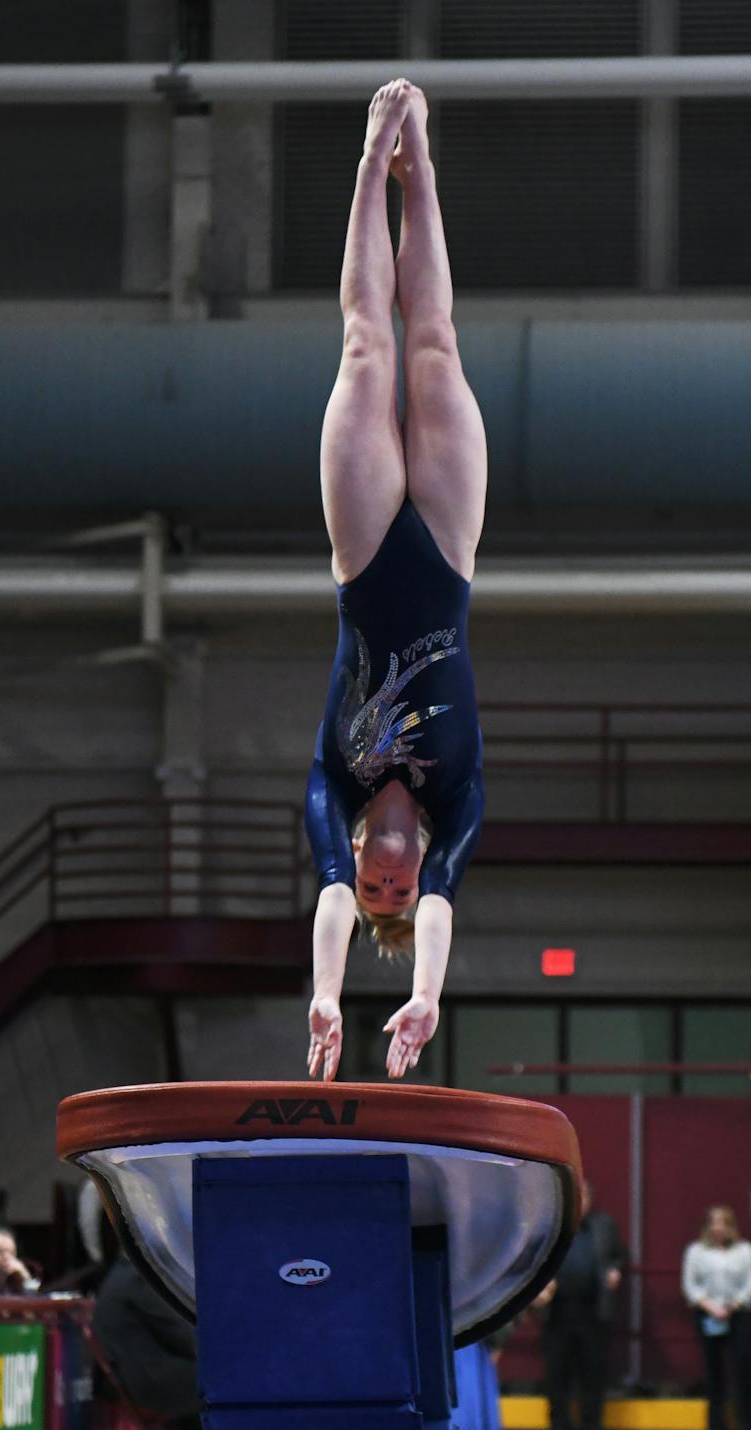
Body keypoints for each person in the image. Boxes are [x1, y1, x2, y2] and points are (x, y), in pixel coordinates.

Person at [303, 79, 487, 1086]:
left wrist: (329, 995)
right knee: (436, 340)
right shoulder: (454, 801)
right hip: (448, 549)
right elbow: (447, 901)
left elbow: (328, 894)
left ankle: (374, 161)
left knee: (369, 342)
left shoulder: (335, 789)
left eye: (374, 887)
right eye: (395, 890)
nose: (382, 876)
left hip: (366, 552)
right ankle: (424, 172)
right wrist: (426, 992)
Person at [535, 1177, 627, 1430]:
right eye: (575, 1196)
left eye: (584, 1196)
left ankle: (592, 1426)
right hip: (558, 1312)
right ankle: (558, 1426)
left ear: (590, 1200)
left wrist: (615, 1270)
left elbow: (619, 1255)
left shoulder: (604, 1225)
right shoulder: (551, 1226)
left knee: (594, 1373)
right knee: (557, 1373)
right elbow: (533, 1258)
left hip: (593, 1312)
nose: (580, 1202)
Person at [94, 1253, 204, 1430]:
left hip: (130, 1380)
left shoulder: (121, 1274)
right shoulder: (137, 1278)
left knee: (210, 1377)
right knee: (220, 1382)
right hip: (147, 1383)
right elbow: (183, 1334)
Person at [682, 1204, 751, 1430]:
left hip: (737, 1314)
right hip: (707, 1314)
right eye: (713, 1223)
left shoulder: (745, 1250)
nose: (718, 1228)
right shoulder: (695, 1251)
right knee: (713, 1372)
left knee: (742, 1371)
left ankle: (746, 1428)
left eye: (723, 1223)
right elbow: (690, 1286)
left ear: (731, 1227)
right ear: (706, 1226)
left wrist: (732, 1306)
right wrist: (711, 1307)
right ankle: (716, 1429)